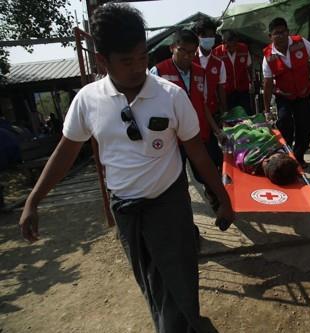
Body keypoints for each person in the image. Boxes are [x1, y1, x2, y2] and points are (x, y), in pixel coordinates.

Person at [18, 4, 234, 333]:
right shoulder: (88, 101)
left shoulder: (171, 97)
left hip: (169, 206)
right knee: (152, 283)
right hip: (126, 212)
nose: (137, 68)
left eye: (142, 58)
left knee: (178, 285)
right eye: (127, 61)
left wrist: (222, 198)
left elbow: (198, 154)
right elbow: (65, 152)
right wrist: (33, 200)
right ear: (103, 61)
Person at [151, 29, 225, 211]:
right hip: (173, 140)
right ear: (172, 48)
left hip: (199, 135)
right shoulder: (158, 71)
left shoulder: (200, 73)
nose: (187, 56)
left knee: (207, 171)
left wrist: (217, 130)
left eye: (192, 52)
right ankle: (184, 219)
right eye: (182, 50)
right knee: (177, 181)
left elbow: (204, 104)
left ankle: (215, 196)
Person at [262, 17, 310, 169]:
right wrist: (266, 111)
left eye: (283, 32)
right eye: (276, 33)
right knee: (284, 121)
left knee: (304, 125)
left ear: (288, 32)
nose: (280, 36)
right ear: (270, 36)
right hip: (283, 96)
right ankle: (287, 153)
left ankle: (298, 156)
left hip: (303, 93)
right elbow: (267, 84)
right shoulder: (268, 56)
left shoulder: (301, 43)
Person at [222, 108, 299, 185]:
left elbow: (269, 140)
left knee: (238, 114)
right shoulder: (262, 169)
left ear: (267, 160)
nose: (275, 152)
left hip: (244, 135)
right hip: (248, 134)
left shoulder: (249, 160)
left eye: (278, 155)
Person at [193, 18, 228, 116]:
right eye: (204, 35)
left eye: (211, 35)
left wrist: (225, 112)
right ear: (198, 37)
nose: (208, 38)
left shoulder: (219, 63)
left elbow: (221, 89)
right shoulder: (190, 59)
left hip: (212, 110)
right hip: (192, 111)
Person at [213, 30, 254, 114]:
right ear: (223, 43)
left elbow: (249, 66)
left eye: (235, 45)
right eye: (229, 46)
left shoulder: (244, 48)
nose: (233, 48)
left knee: (246, 113)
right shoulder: (216, 52)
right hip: (226, 91)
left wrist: (251, 82)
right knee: (231, 115)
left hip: (243, 88)